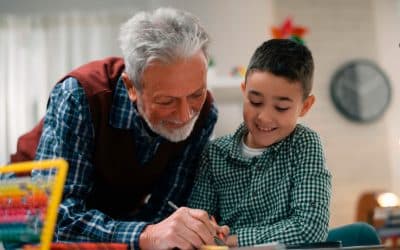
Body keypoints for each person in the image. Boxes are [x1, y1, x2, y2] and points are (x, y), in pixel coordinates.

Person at [33, 7, 229, 250]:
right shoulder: (80, 96)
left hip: (115, 222)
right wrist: (146, 235)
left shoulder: (205, 113)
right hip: (24, 218)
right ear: (131, 87)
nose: (185, 115)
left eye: (196, 94)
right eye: (166, 101)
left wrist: (184, 230)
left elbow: (164, 209)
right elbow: (50, 221)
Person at [188, 39, 332, 247]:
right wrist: (209, 231)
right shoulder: (215, 153)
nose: (264, 117)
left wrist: (232, 240)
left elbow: (310, 229)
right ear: (244, 91)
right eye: (255, 102)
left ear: (305, 106)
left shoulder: (304, 144)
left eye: (281, 107)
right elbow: (199, 227)